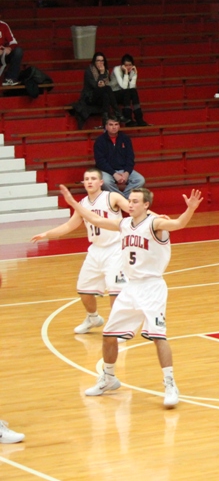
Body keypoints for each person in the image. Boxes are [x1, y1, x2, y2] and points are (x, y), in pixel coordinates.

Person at [59, 185, 204, 408]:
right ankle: (109, 378)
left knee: (158, 336)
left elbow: (178, 224)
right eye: (129, 201)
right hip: (130, 287)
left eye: (135, 201)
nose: (130, 204)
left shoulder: (155, 223)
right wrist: (73, 203)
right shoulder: (124, 224)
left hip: (152, 287)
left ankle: (170, 384)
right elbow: (95, 220)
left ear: (146, 205)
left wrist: (190, 209)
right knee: (108, 335)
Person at [31, 167, 128, 335]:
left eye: (93, 178)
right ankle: (93, 318)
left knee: (115, 290)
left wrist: (154, 218)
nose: (89, 181)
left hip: (115, 249)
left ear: (101, 182)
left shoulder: (112, 197)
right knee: (83, 289)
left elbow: (134, 210)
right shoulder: (82, 204)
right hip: (95, 250)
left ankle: (117, 328)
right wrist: (47, 234)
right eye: (87, 179)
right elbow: (70, 225)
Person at [93, 116, 145, 198]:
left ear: (119, 126)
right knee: (105, 182)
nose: (114, 127)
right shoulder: (100, 141)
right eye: (111, 125)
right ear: (106, 127)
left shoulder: (125, 138)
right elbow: (100, 162)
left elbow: (130, 157)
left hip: (123, 169)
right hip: (107, 171)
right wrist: (114, 173)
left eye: (116, 124)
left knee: (140, 180)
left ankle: (123, 199)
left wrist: (127, 172)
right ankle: (120, 199)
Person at [81, 52, 126, 125]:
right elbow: (96, 86)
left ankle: (105, 119)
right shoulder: (89, 71)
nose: (100, 63)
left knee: (106, 94)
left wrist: (103, 75)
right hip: (90, 97)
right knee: (107, 88)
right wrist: (101, 74)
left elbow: (105, 84)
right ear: (94, 62)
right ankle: (118, 112)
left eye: (102, 61)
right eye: (98, 61)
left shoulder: (105, 71)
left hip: (101, 96)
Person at [111, 54, 149, 126]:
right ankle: (128, 118)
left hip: (125, 94)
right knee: (127, 92)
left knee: (133, 91)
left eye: (130, 65)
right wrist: (126, 73)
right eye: (126, 65)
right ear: (122, 65)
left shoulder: (132, 71)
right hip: (114, 94)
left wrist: (135, 74)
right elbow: (124, 87)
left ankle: (139, 118)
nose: (128, 67)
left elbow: (132, 87)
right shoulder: (117, 69)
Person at [0, 19, 23, 87]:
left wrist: (9, 48)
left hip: (3, 55)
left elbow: (13, 42)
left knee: (18, 51)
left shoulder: (3, 25)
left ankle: (10, 79)